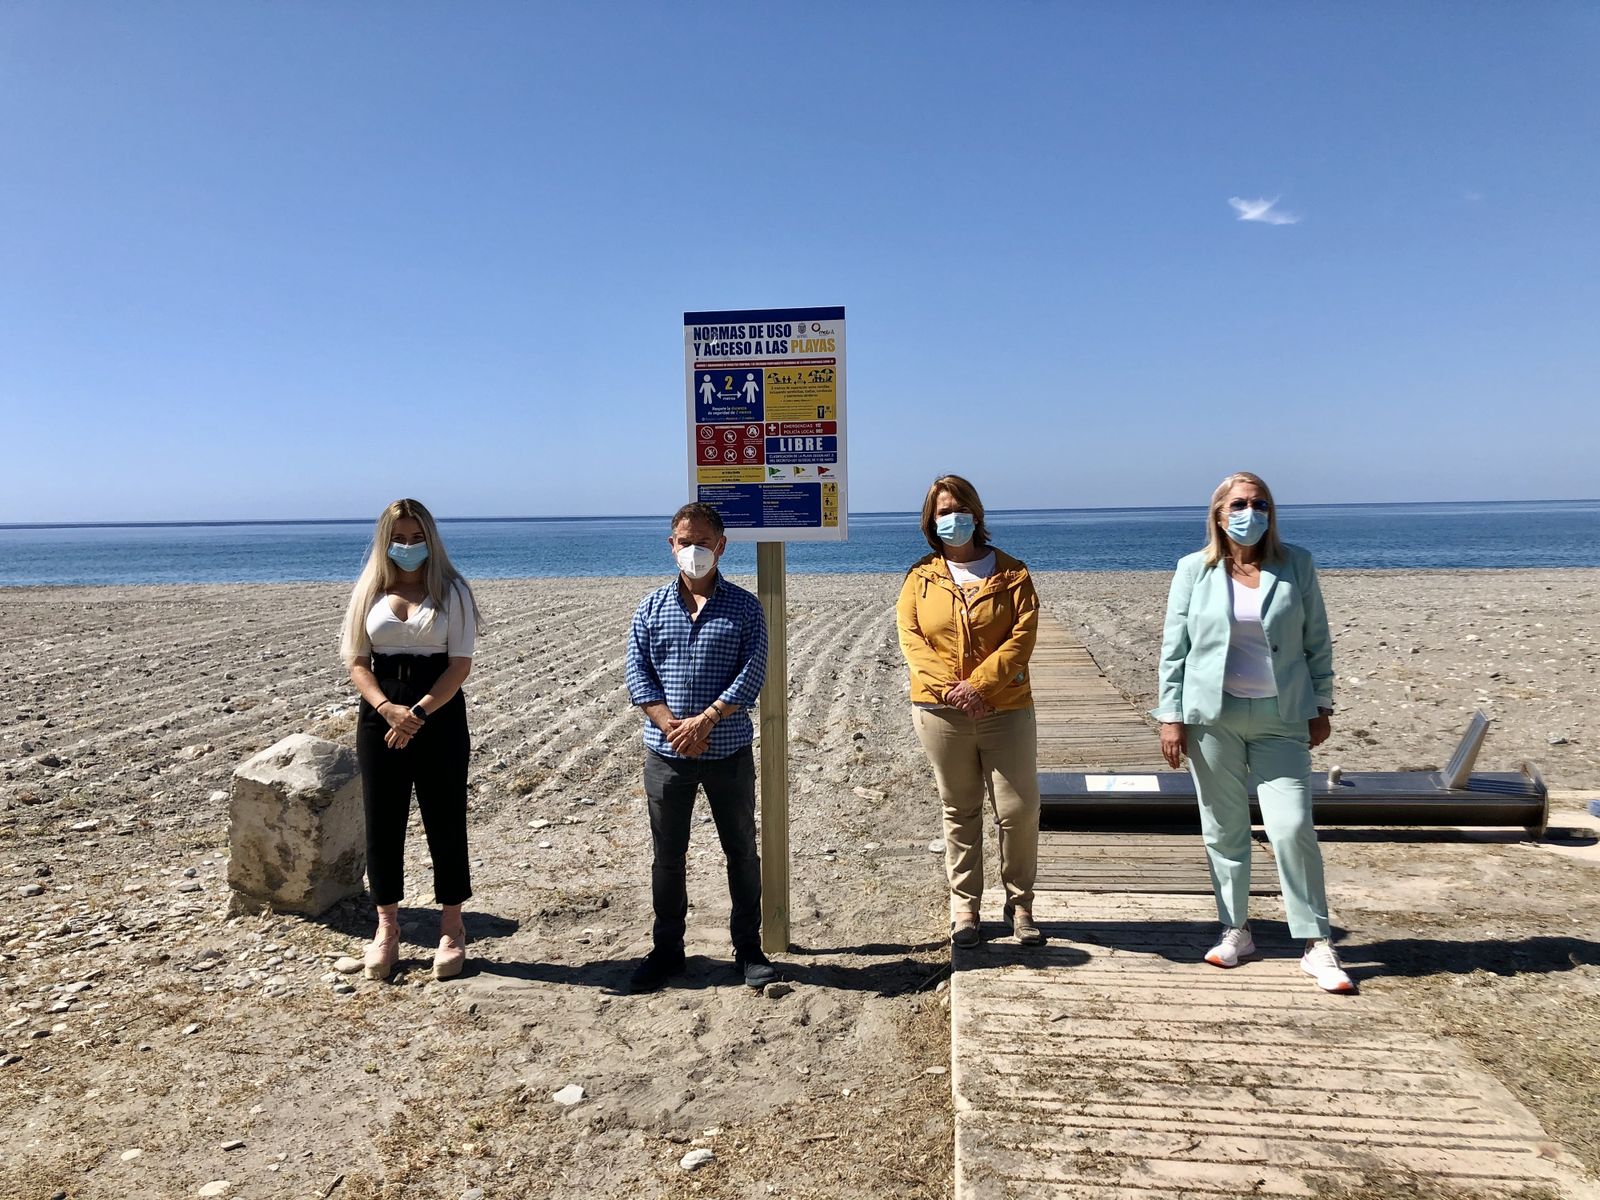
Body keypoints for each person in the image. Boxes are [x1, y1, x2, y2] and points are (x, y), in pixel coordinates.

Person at [1152, 471, 1352, 993]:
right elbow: (1175, 649)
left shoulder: (1296, 564)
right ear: (1219, 515)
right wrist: (1170, 717)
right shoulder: (1193, 570)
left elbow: (1316, 641)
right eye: (1239, 504)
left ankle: (1316, 942)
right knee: (1224, 828)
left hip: (1282, 716)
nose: (1250, 512)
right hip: (1210, 718)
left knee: (1292, 826)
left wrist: (1322, 704)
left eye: (1260, 503)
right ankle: (1235, 928)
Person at [623, 501, 775, 993]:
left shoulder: (745, 608)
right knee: (667, 856)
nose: (694, 550)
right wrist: (671, 726)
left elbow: (752, 672)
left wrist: (706, 719)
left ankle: (748, 949)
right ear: (672, 546)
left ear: (721, 546)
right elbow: (637, 673)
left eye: (703, 542)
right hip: (666, 754)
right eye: (685, 542)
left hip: (727, 751)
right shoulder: (650, 608)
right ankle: (667, 950)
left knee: (741, 851)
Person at [896, 475, 1043, 948]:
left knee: (1018, 810)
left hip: (1006, 707)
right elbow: (912, 639)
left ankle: (1020, 903)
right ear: (931, 521)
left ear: (976, 514)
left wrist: (977, 686)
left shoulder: (1013, 573)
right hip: (940, 712)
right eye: (943, 512)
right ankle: (965, 908)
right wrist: (952, 691)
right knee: (959, 809)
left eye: (959, 509)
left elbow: (1022, 637)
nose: (952, 518)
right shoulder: (920, 577)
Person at [339, 498, 482, 982]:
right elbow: (357, 661)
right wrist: (387, 709)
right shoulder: (369, 590)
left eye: (416, 537)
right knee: (382, 820)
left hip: (437, 711)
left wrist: (417, 712)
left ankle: (452, 926)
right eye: (398, 538)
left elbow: (459, 665)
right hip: (381, 712)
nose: (407, 546)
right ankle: (387, 928)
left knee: (445, 817)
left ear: (430, 539)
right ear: (385, 541)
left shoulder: (452, 591)